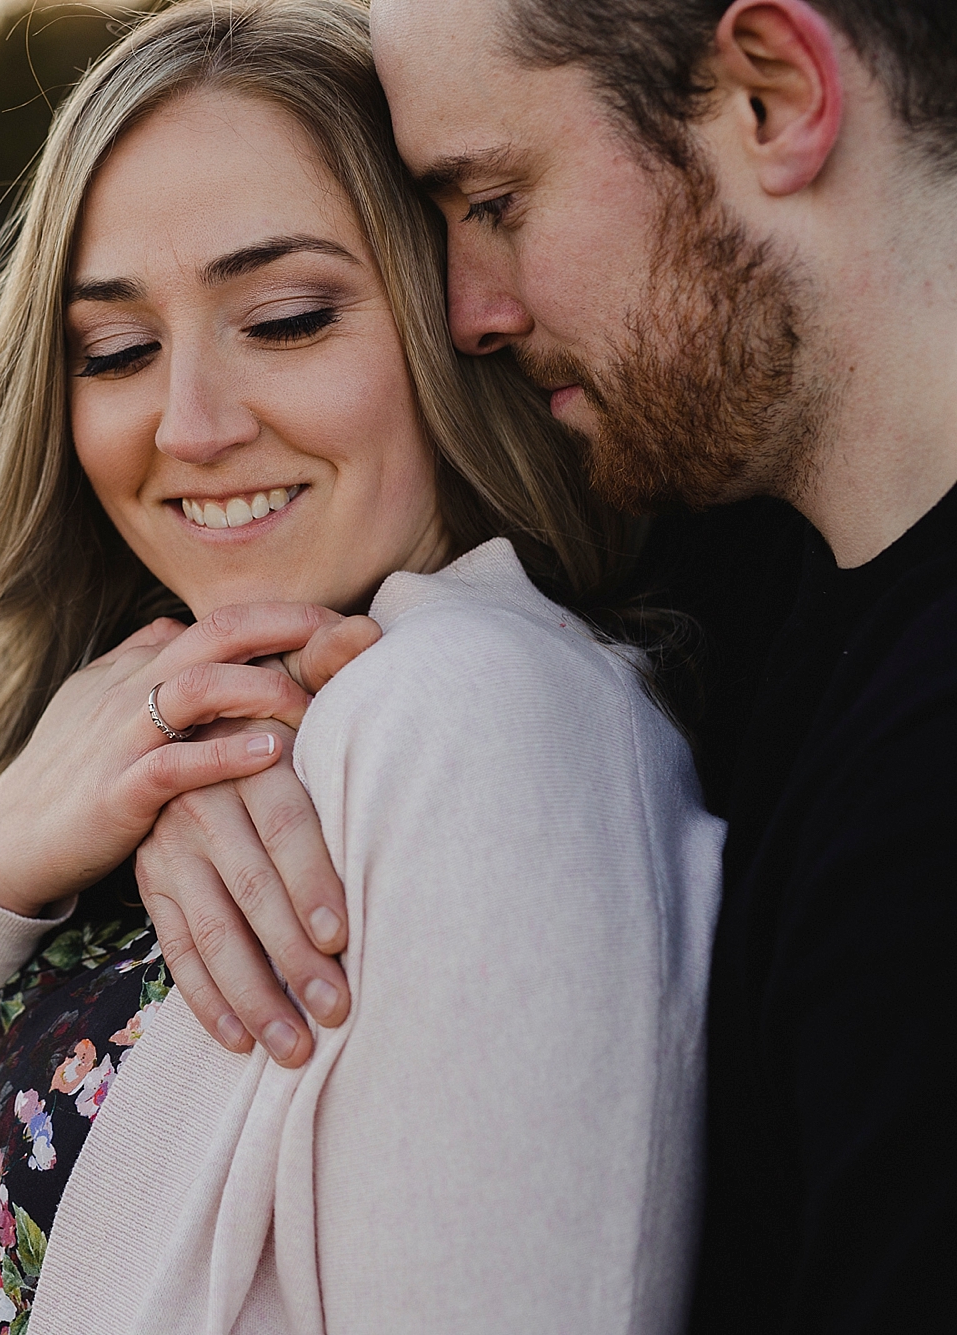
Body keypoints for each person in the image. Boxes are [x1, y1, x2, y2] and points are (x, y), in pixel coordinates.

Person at [0, 3, 721, 1330]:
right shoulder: (137, 722)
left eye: (283, 318)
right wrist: (5, 847)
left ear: (454, 320)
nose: (191, 426)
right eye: (118, 349)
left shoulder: (474, 720)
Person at [148, 0, 957, 1326]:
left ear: (775, 97)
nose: (466, 311)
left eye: (495, 199)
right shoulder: (734, 556)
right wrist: (199, 737)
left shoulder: (926, 818)